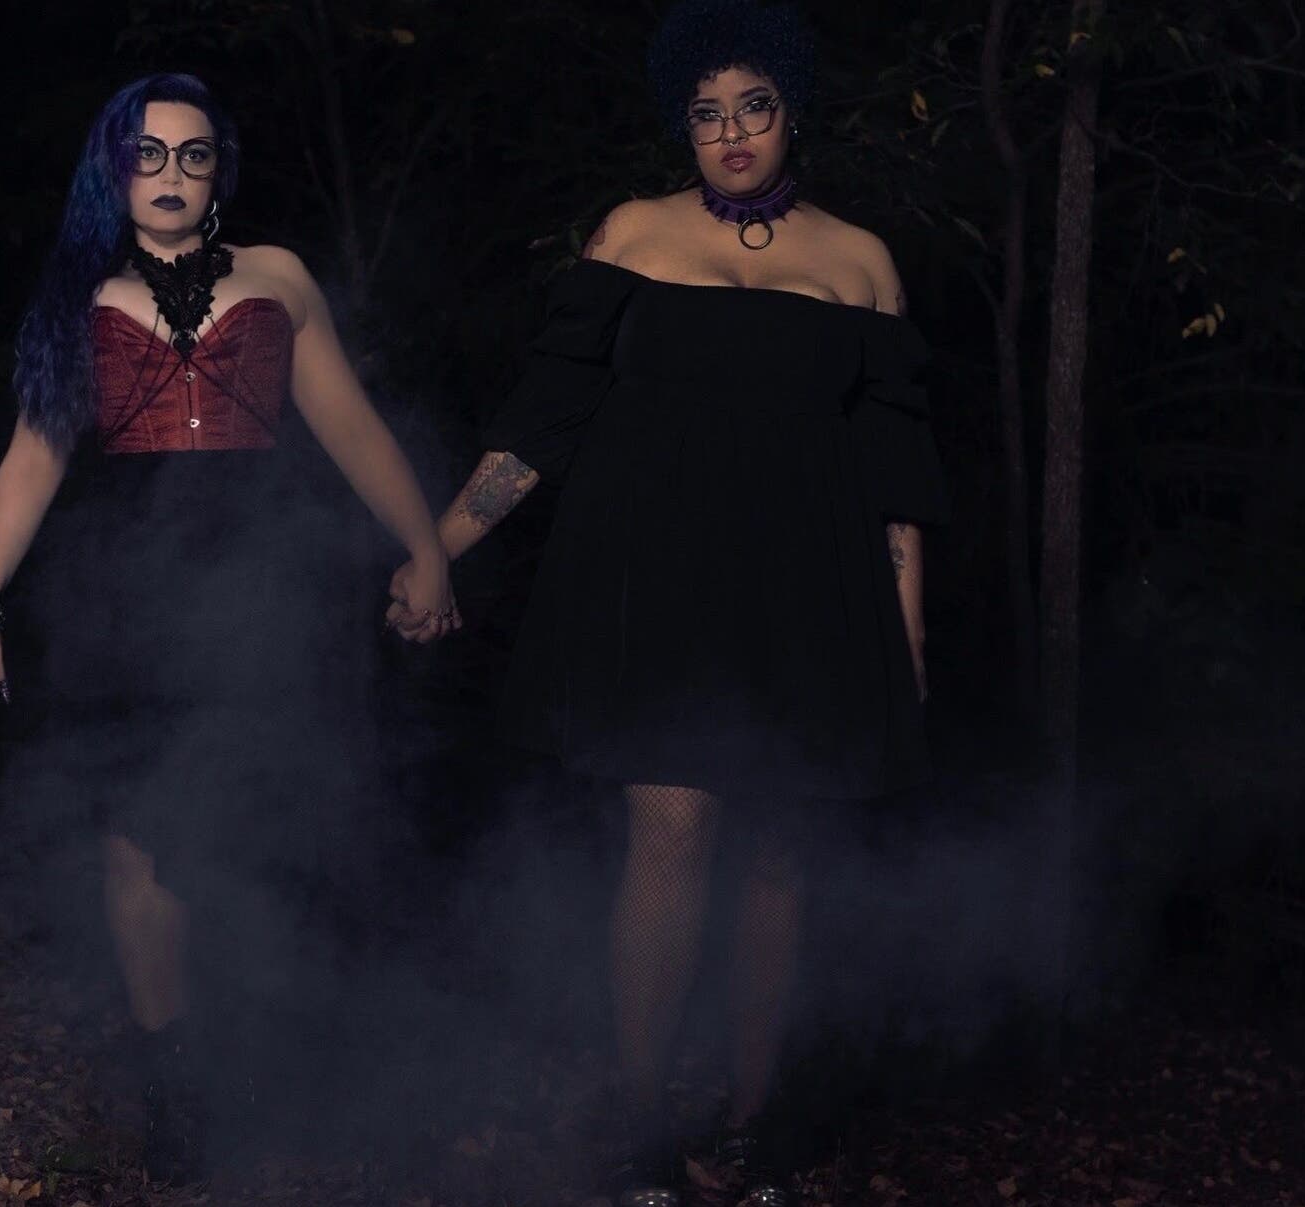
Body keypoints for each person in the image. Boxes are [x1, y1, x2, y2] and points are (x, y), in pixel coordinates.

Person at [394, 2, 947, 1202]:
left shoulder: (859, 262)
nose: (731, 133)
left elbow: (892, 477)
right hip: (656, 578)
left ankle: (748, 1131)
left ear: (790, 113)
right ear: (681, 129)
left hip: (807, 591)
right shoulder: (633, 233)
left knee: (780, 854)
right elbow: (543, 419)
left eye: (752, 107)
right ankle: (642, 1124)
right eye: (705, 114)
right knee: (672, 831)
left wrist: (904, 625)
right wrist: (437, 547)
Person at [0, 72, 457, 1187]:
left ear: (219, 170)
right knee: (135, 838)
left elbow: (350, 425)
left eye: (192, 154)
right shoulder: (77, 295)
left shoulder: (278, 277)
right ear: (113, 169)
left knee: (255, 824)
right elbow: (33, 457)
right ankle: (169, 1075)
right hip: (126, 583)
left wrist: (422, 545)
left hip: (262, 582)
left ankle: (268, 1063)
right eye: (148, 154)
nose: (171, 174)